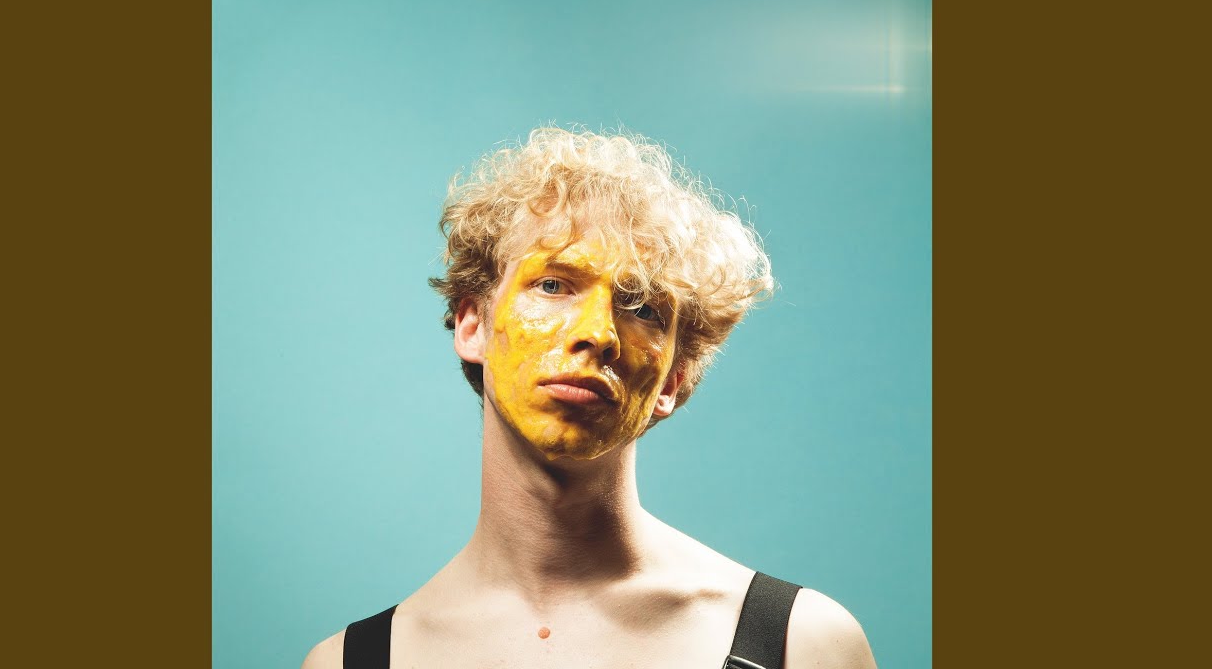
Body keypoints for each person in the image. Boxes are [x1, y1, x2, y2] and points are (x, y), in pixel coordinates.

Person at [304, 128, 877, 669]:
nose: (598, 333)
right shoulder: (348, 661)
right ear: (473, 325)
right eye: (553, 285)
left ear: (672, 381)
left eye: (643, 308)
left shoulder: (804, 644)